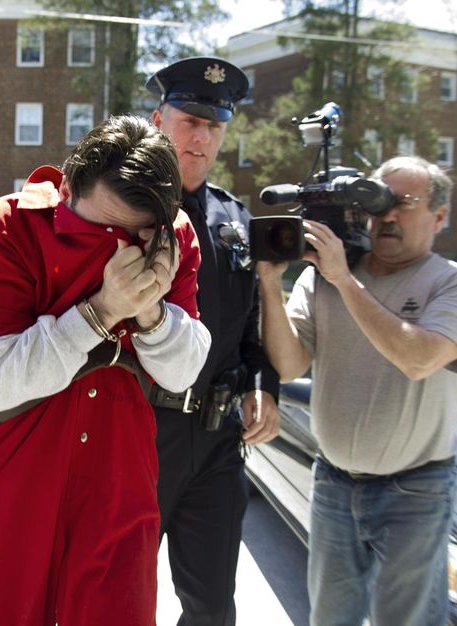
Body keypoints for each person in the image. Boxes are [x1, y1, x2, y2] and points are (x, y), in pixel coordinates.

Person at [0, 114, 211, 625]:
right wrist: (103, 310)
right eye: (98, 228)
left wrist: (154, 314)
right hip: (21, 472)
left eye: (133, 235)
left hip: (123, 478)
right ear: (68, 185)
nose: (115, 246)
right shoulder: (9, 225)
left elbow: (183, 371)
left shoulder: (173, 232)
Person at [257, 155, 457, 626]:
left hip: (415, 491)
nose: (387, 216)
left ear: (440, 216)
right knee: (331, 618)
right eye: (377, 201)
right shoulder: (320, 277)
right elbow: (288, 364)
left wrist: (345, 279)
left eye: (403, 203)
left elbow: (418, 358)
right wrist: (267, 284)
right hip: (333, 482)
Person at [146, 56, 281, 625]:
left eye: (214, 126)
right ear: (158, 121)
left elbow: (249, 328)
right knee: (112, 594)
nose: (201, 138)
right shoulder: (122, 208)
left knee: (212, 608)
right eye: (189, 121)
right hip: (140, 435)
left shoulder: (235, 220)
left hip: (218, 441)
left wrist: (266, 385)